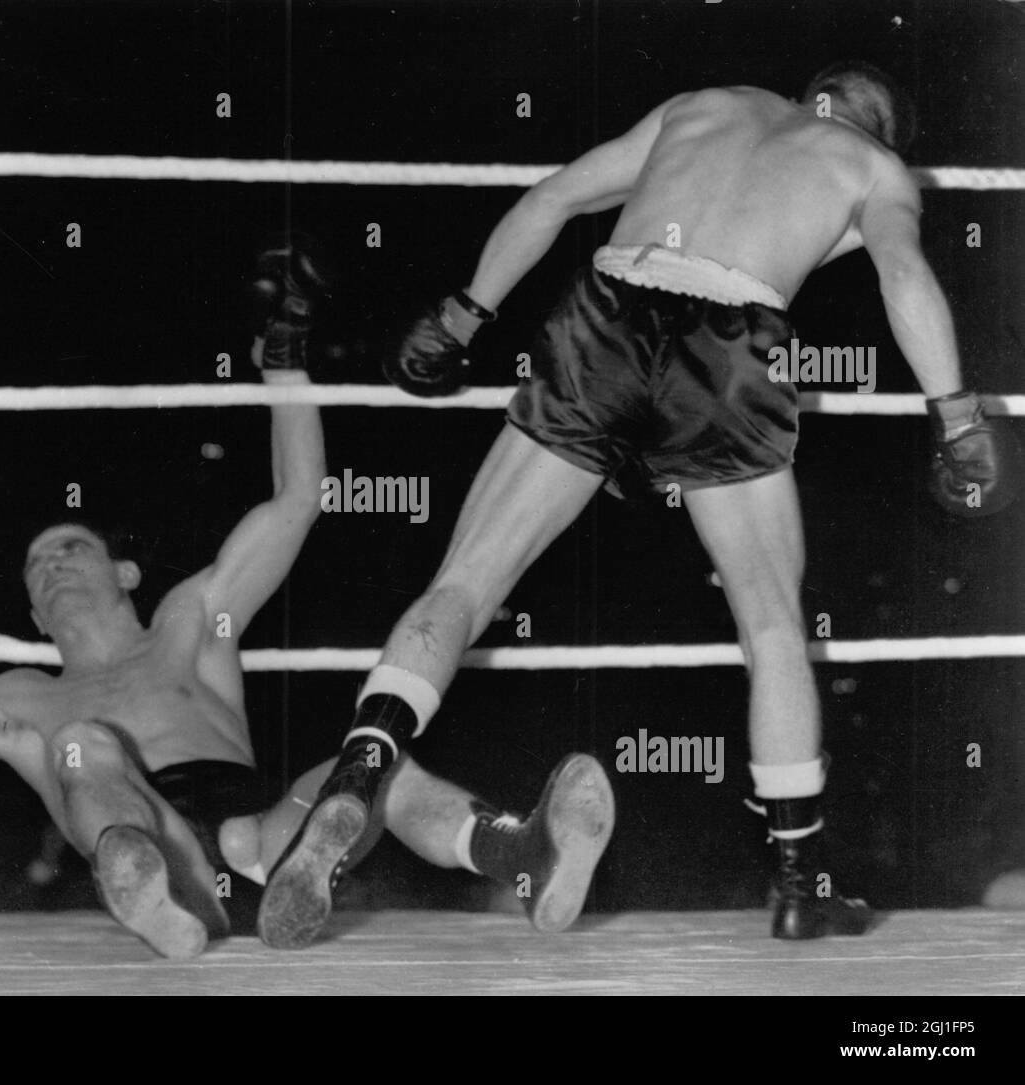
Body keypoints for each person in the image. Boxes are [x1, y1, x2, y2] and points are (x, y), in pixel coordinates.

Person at [260, 62, 1021, 948]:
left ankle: (362, 764)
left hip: (608, 312)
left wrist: (464, 316)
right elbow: (903, 278)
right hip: (727, 345)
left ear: (811, 95)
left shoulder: (706, 106)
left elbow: (551, 200)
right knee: (772, 623)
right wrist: (958, 416)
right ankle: (796, 884)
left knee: (465, 581)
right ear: (876, 131)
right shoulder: (873, 170)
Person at [0, 248, 615, 958]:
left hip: (266, 841)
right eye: (35, 564)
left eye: (71, 548)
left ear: (124, 574)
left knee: (366, 769)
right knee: (85, 746)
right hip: (158, 849)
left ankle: (522, 847)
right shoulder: (16, 698)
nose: (52, 566)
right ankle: (153, 888)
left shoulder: (191, 619)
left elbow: (298, 499)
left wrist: (285, 362)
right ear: (29, 608)